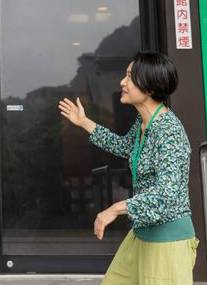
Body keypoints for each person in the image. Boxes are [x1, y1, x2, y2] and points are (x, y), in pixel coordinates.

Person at [58, 51, 198, 285]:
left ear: (150, 86)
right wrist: (84, 122)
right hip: (142, 233)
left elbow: (166, 196)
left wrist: (115, 209)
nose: (122, 82)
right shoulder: (144, 123)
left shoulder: (170, 132)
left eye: (130, 77)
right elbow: (125, 147)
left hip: (167, 240)